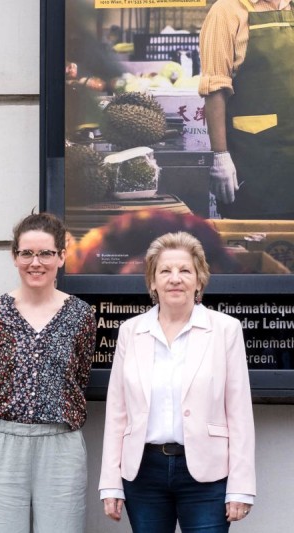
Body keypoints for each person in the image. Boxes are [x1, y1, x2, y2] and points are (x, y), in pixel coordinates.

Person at [99, 231, 256, 532]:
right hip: (143, 474)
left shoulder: (225, 330)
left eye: (185, 270)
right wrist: (110, 482)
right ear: (152, 281)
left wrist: (241, 487)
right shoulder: (131, 331)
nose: (175, 279)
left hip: (208, 475)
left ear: (199, 280)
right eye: (165, 271)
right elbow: (117, 412)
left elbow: (239, 413)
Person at [0, 212, 95, 533]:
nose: (35, 262)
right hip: (3, 442)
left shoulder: (81, 315)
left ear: (61, 257)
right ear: (14, 257)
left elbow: (79, 379)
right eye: (26, 253)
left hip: (60, 445)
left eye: (45, 253)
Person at [200, 0, 294, 219]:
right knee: (255, 233)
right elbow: (214, 88)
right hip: (254, 160)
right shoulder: (226, 11)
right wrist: (220, 155)